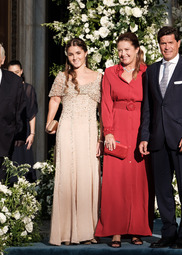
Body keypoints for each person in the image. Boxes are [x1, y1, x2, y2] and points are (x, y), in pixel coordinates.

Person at [139, 26, 182, 249]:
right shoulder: (151, 71)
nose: (166, 46)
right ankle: (168, 232)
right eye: (162, 43)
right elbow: (148, 107)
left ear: (178, 43)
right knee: (162, 190)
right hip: (157, 140)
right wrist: (144, 136)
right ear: (159, 44)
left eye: (170, 42)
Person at [95, 32, 153, 248]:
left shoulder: (148, 72)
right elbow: (106, 104)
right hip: (117, 129)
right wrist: (107, 132)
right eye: (120, 50)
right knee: (115, 181)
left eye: (127, 49)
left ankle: (137, 229)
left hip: (141, 129)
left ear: (137, 49)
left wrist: (149, 134)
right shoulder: (110, 73)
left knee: (139, 180)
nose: (123, 54)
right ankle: (116, 231)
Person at [46, 38, 102, 246]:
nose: (75, 57)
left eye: (78, 53)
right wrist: (50, 121)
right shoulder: (62, 76)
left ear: (85, 53)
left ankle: (88, 231)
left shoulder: (99, 77)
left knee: (88, 178)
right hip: (67, 130)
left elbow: (102, 111)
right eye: (71, 54)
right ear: (67, 56)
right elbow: (55, 99)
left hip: (88, 131)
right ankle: (65, 233)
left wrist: (102, 137)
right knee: (67, 178)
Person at [8, 60, 38, 182]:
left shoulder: (28, 89)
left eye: (17, 72)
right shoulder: (4, 89)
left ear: (21, 71)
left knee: (24, 167)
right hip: (7, 134)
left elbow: (32, 114)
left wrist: (32, 133)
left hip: (23, 134)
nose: (15, 75)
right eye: (11, 73)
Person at [0, 44, 25, 181]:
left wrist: (19, 133)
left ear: (2, 60)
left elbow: (20, 107)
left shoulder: (14, 81)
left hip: (4, 141)